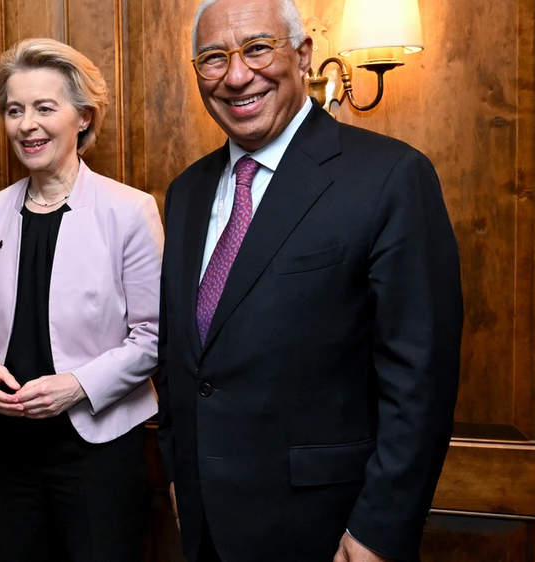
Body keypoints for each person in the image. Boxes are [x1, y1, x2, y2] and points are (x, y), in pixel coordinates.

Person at [156, 0, 463, 561]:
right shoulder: (187, 192)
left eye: (257, 48)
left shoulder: (389, 177)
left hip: (330, 531)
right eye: (213, 58)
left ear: (302, 56)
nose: (236, 76)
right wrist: (179, 472)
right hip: (206, 526)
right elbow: (178, 353)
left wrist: (380, 531)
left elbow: (421, 380)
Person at [0, 38, 163, 562]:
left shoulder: (129, 211)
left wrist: (77, 386)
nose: (27, 125)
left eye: (45, 108)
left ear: (83, 117)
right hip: (10, 447)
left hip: (98, 449)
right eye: (14, 110)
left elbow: (154, 336)